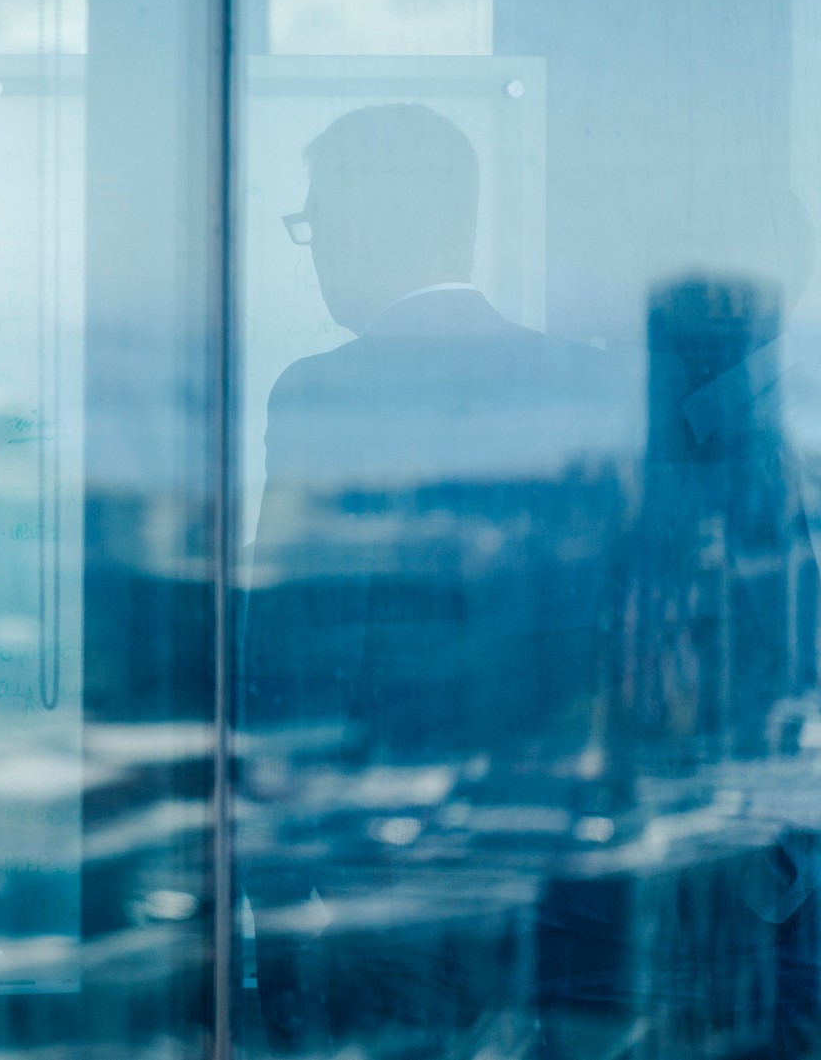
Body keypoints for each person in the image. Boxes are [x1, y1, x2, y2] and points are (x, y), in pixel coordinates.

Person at [241, 103, 631, 1055]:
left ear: (366, 224)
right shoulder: (588, 387)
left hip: (388, 887)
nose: (314, 250)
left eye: (314, 222)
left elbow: (288, 660)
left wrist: (282, 903)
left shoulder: (323, 393)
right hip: (562, 871)